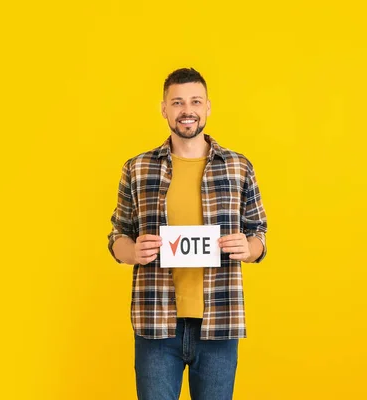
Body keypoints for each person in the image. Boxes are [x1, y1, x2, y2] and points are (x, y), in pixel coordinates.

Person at [107, 67, 268, 400]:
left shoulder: (238, 166)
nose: (187, 110)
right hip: (156, 322)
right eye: (177, 102)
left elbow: (259, 235)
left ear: (208, 107)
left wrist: (248, 247)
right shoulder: (137, 168)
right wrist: (132, 250)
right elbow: (117, 236)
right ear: (164, 109)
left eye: (195, 101)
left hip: (219, 322)